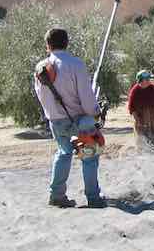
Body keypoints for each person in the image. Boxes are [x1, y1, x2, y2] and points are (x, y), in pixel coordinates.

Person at [34, 28, 106, 208]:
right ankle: (93, 198)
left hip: (56, 122)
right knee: (89, 157)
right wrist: (95, 112)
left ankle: (57, 195)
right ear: (66, 43)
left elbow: (41, 96)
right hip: (80, 121)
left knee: (63, 153)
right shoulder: (75, 64)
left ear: (48, 45)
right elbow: (86, 97)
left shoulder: (40, 69)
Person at [127, 70, 154, 150]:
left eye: (148, 79)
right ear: (140, 80)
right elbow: (131, 107)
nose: (148, 81)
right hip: (142, 119)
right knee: (147, 141)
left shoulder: (153, 89)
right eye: (146, 79)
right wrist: (137, 119)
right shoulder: (135, 91)